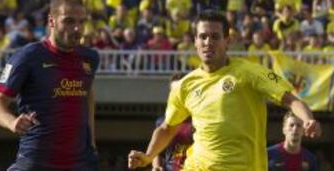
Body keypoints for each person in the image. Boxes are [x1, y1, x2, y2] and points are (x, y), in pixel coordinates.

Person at [128, 9, 321, 171]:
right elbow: (167, 128)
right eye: (202, 36)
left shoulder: (250, 72)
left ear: (227, 40)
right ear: (195, 41)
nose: (208, 42)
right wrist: (148, 156)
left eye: (215, 36)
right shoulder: (185, 85)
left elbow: (290, 100)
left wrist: (308, 118)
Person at [0, 0, 100, 170]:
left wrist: (91, 142)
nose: (77, 28)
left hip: (80, 163)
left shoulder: (90, 58)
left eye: (81, 22)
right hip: (35, 162)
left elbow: (88, 95)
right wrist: (11, 122)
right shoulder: (27, 56)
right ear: (52, 22)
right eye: (69, 21)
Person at [152, 73, 193, 171]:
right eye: (174, 92)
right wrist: (156, 166)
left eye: (181, 91)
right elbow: (156, 151)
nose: (178, 96)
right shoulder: (162, 122)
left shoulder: (201, 119)